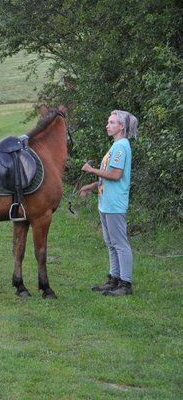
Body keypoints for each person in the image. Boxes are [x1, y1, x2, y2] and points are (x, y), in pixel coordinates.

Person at [79, 110, 138, 296]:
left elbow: (115, 175)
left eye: (112, 122)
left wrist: (91, 169)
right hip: (106, 203)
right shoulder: (115, 146)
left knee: (119, 243)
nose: (108, 125)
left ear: (121, 126)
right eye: (108, 122)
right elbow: (109, 177)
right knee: (111, 243)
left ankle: (125, 283)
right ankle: (114, 279)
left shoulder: (121, 146)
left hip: (114, 204)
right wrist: (90, 186)